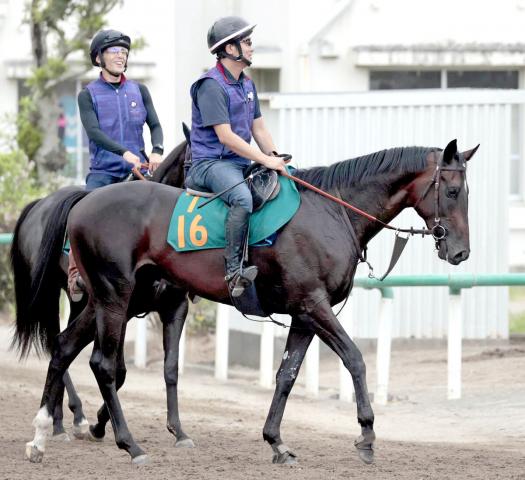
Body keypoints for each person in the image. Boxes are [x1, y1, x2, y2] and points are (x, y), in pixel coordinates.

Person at [186, 16, 287, 298]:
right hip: (210, 164)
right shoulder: (210, 85)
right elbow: (226, 136)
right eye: (247, 42)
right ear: (230, 49)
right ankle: (233, 272)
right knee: (242, 198)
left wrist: (276, 158)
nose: (252, 47)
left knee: (281, 186)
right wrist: (264, 160)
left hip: (239, 163)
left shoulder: (247, 84)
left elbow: (260, 129)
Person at [67, 29, 165, 301]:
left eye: (124, 52)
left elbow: (155, 125)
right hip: (104, 173)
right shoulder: (88, 95)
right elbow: (94, 132)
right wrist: (123, 152)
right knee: (79, 213)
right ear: (99, 58)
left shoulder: (139, 90)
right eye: (114, 51)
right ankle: (75, 274)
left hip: (137, 174)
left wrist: (157, 150)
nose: (121, 56)